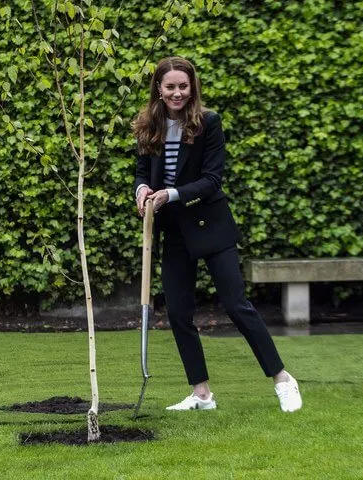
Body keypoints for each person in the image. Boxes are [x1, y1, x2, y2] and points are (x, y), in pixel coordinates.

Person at [132, 56, 302, 412]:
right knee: (179, 313)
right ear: (159, 90)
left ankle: (283, 379)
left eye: (183, 86)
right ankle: (202, 394)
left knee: (237, 306)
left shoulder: (208, 122)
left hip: (210, 227)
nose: (177, 93)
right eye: (170, 87)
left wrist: (171, 194)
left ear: (192, 87)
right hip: (174, 231)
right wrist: (143, 190)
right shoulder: (150, 124)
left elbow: (212, 180)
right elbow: (141, 171)